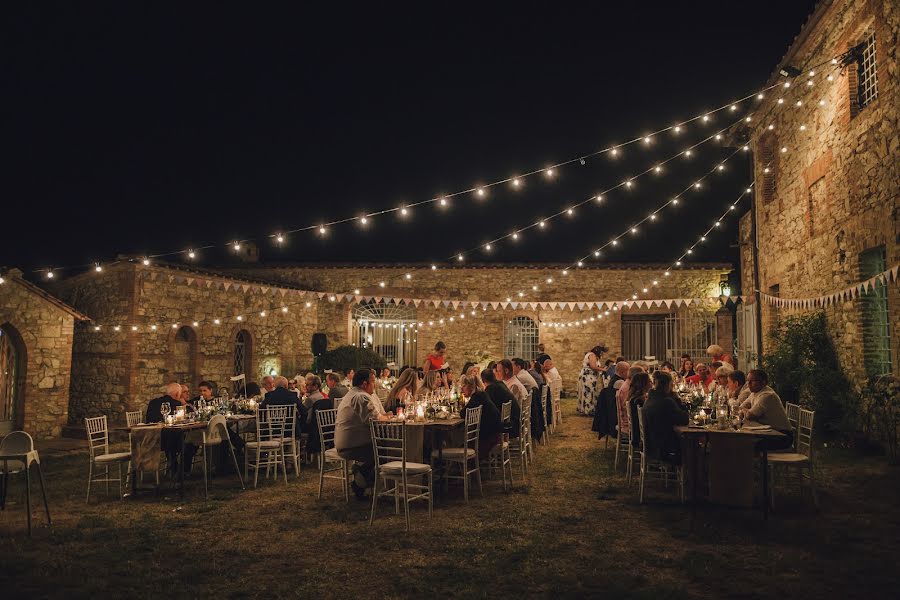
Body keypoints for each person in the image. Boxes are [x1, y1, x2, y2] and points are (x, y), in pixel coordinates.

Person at [334, 369, 391, 499]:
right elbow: (375, 420)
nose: (375, 385)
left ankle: (366, 480)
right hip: (351, 445)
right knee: (387, 451)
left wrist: (384, 417)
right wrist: (388, 418)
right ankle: (361, 481)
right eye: (373, 382)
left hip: (352, 441)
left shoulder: (355, 394)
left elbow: (376, 416)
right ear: (365, 384)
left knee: (384, 448)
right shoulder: (360, 397)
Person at [146, 382, 197, 474]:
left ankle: (175, 468)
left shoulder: (153, 402)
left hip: (150, 438)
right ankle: (183, 470)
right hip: (167, 440)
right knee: (191, 441)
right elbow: (190, 415)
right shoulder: (176, 404)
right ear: (178, 394)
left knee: (176, 437)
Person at [642, 370, 689, 464]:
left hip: (651, 443)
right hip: (664, 447)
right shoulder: (667, 401)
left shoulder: (650, 398)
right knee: (692, 443)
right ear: (669, 385)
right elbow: (684, 419)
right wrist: (678, 400)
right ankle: (693, 474)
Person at [740, 369, 793, 450]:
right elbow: (741, 407)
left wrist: (745, 411)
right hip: (768, 433)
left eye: (752, 381)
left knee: (746, 444)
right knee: (742, 440)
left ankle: (755, 462)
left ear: (763, 382)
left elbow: (749, 416)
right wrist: (745, 410)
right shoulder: (754, 393)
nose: (748, 384)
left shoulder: (767, 395)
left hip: (782, 436)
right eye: (748, 381)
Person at [459, 374, 502, 458]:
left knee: (458, 444)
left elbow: (463, 413)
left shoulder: (476, 397)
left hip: (487, 439)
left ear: (471, 386)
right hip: (495, 434)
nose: (461, 389)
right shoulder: (482, 394)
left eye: (464, 386)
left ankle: (457, 468)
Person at [481, 368, 521, 438]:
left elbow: (489, 410)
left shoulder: (491, 389)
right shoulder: (500, 384)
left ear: (483, 380)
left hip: (509, 427)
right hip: (515, 422)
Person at [624, 371, 652, 449]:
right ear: (644, 384)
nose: (651, 383)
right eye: (649, 381)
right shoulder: (639, 401)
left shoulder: (633, 398)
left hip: (635, 435)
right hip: (641, 437)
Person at [578, 344, 608, 415]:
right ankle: (588, 410)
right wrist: (603, 369)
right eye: (601, 353)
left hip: (591, 376)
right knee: (589, 392)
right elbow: (593, 366)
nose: (601, 354)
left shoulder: (592, 355)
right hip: (588, 376)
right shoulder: (592, 355)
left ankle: (588, 409)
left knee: (590, 392)